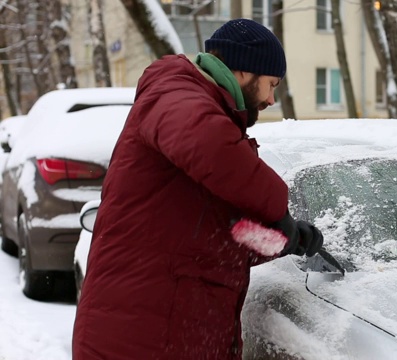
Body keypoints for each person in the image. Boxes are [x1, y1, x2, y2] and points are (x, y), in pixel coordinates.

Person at [72, 18, 324, 359]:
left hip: (167, 331)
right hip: (138, 337)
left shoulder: (201, 114)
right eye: (271, 84)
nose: (271, 99)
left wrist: (284, 240)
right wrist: (277, 207)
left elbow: (221, 235)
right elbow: (208, 144)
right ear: (244, 72)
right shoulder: (175, 91)